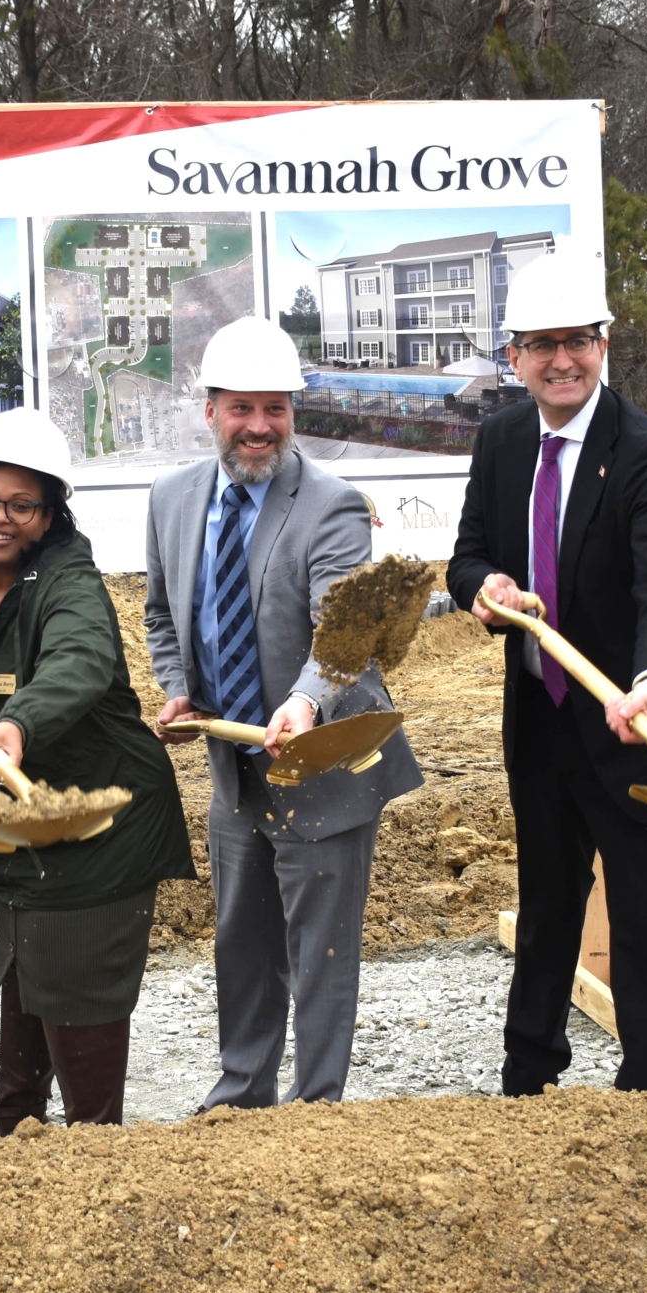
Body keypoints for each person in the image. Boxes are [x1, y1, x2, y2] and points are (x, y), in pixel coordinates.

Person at [446, 253, 647, 1097]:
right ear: (515, 356)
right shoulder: (502, 441)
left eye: (577, 340)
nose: (562, 360)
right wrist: (485, 587)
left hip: (633, 722)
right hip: (541, 717)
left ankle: (646, 1092)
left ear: (603, 345)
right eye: (542, 344)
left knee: (642, 909)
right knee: (546, 905)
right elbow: (467, 556)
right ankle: (528, 1080)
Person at [0, 406, 194, 1133]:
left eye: (22, 505)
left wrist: (16, 724)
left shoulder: (70, 582)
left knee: (78, 997)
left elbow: (78, 662)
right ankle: (17, 1141)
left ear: (51, 513)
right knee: (26, 985)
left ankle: (95, 1159)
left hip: (100, 825)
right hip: (19, 829)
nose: (0, 518)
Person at [145, 317, 423, 1108]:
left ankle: (316, 1109)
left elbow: (343, 631)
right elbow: (162, 614)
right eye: (242, 408)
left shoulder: (332, 505)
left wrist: (303, 700)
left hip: (324, 759)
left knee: (320, 953)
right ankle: (241, 1094)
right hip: (234, 766)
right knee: (243, 941)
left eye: (276, 408)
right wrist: (178, 686)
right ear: (211, 410)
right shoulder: (171, 499)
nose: (260, 426)